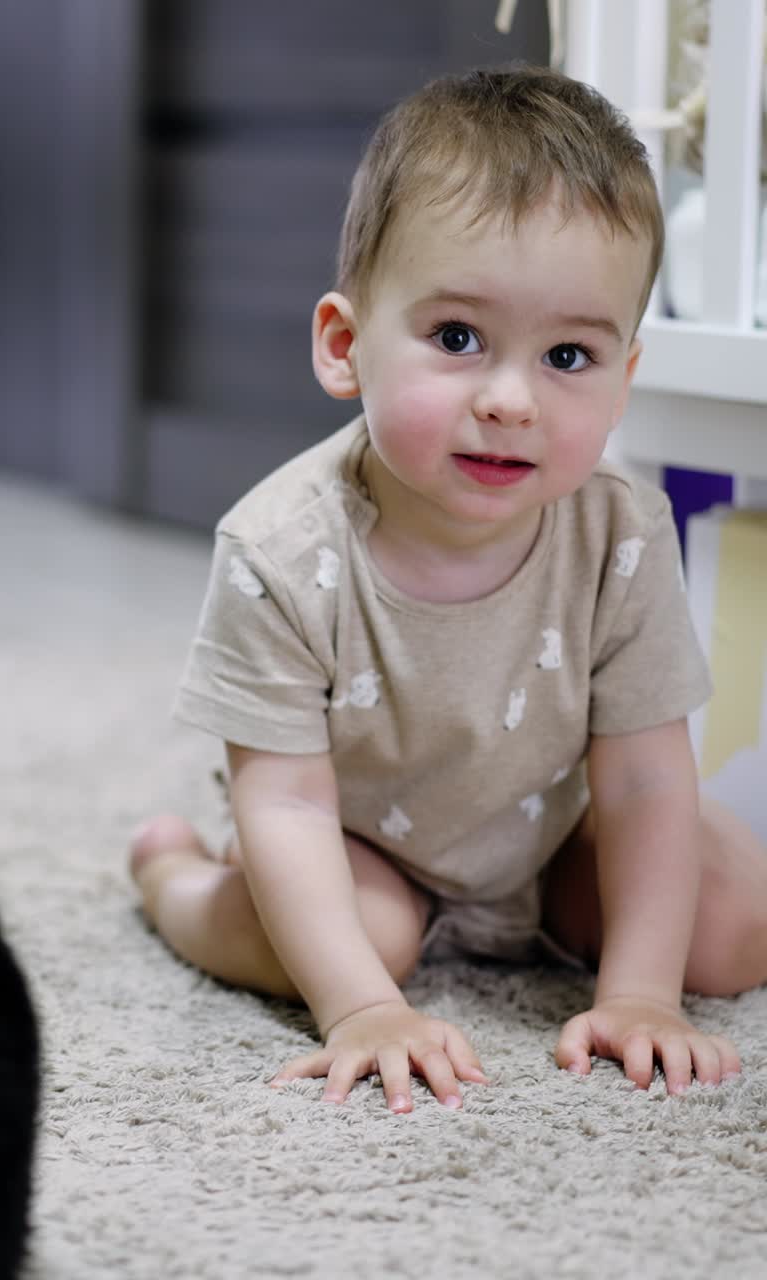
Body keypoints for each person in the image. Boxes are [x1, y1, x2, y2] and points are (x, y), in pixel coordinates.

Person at [129, 65, 767, 1113]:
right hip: (355, 842)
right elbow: (286, 799)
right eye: (458, 339)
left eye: (568, 354)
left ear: (623, 380)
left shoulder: (622, 531)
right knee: (364, 937)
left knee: (735, 922)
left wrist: (641, 994)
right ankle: (174, 880)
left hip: (549, 837)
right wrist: (359, 1009)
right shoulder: (279, 548)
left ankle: (575, 930)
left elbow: (645, 781)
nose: (510, 399)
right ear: (345, 346)